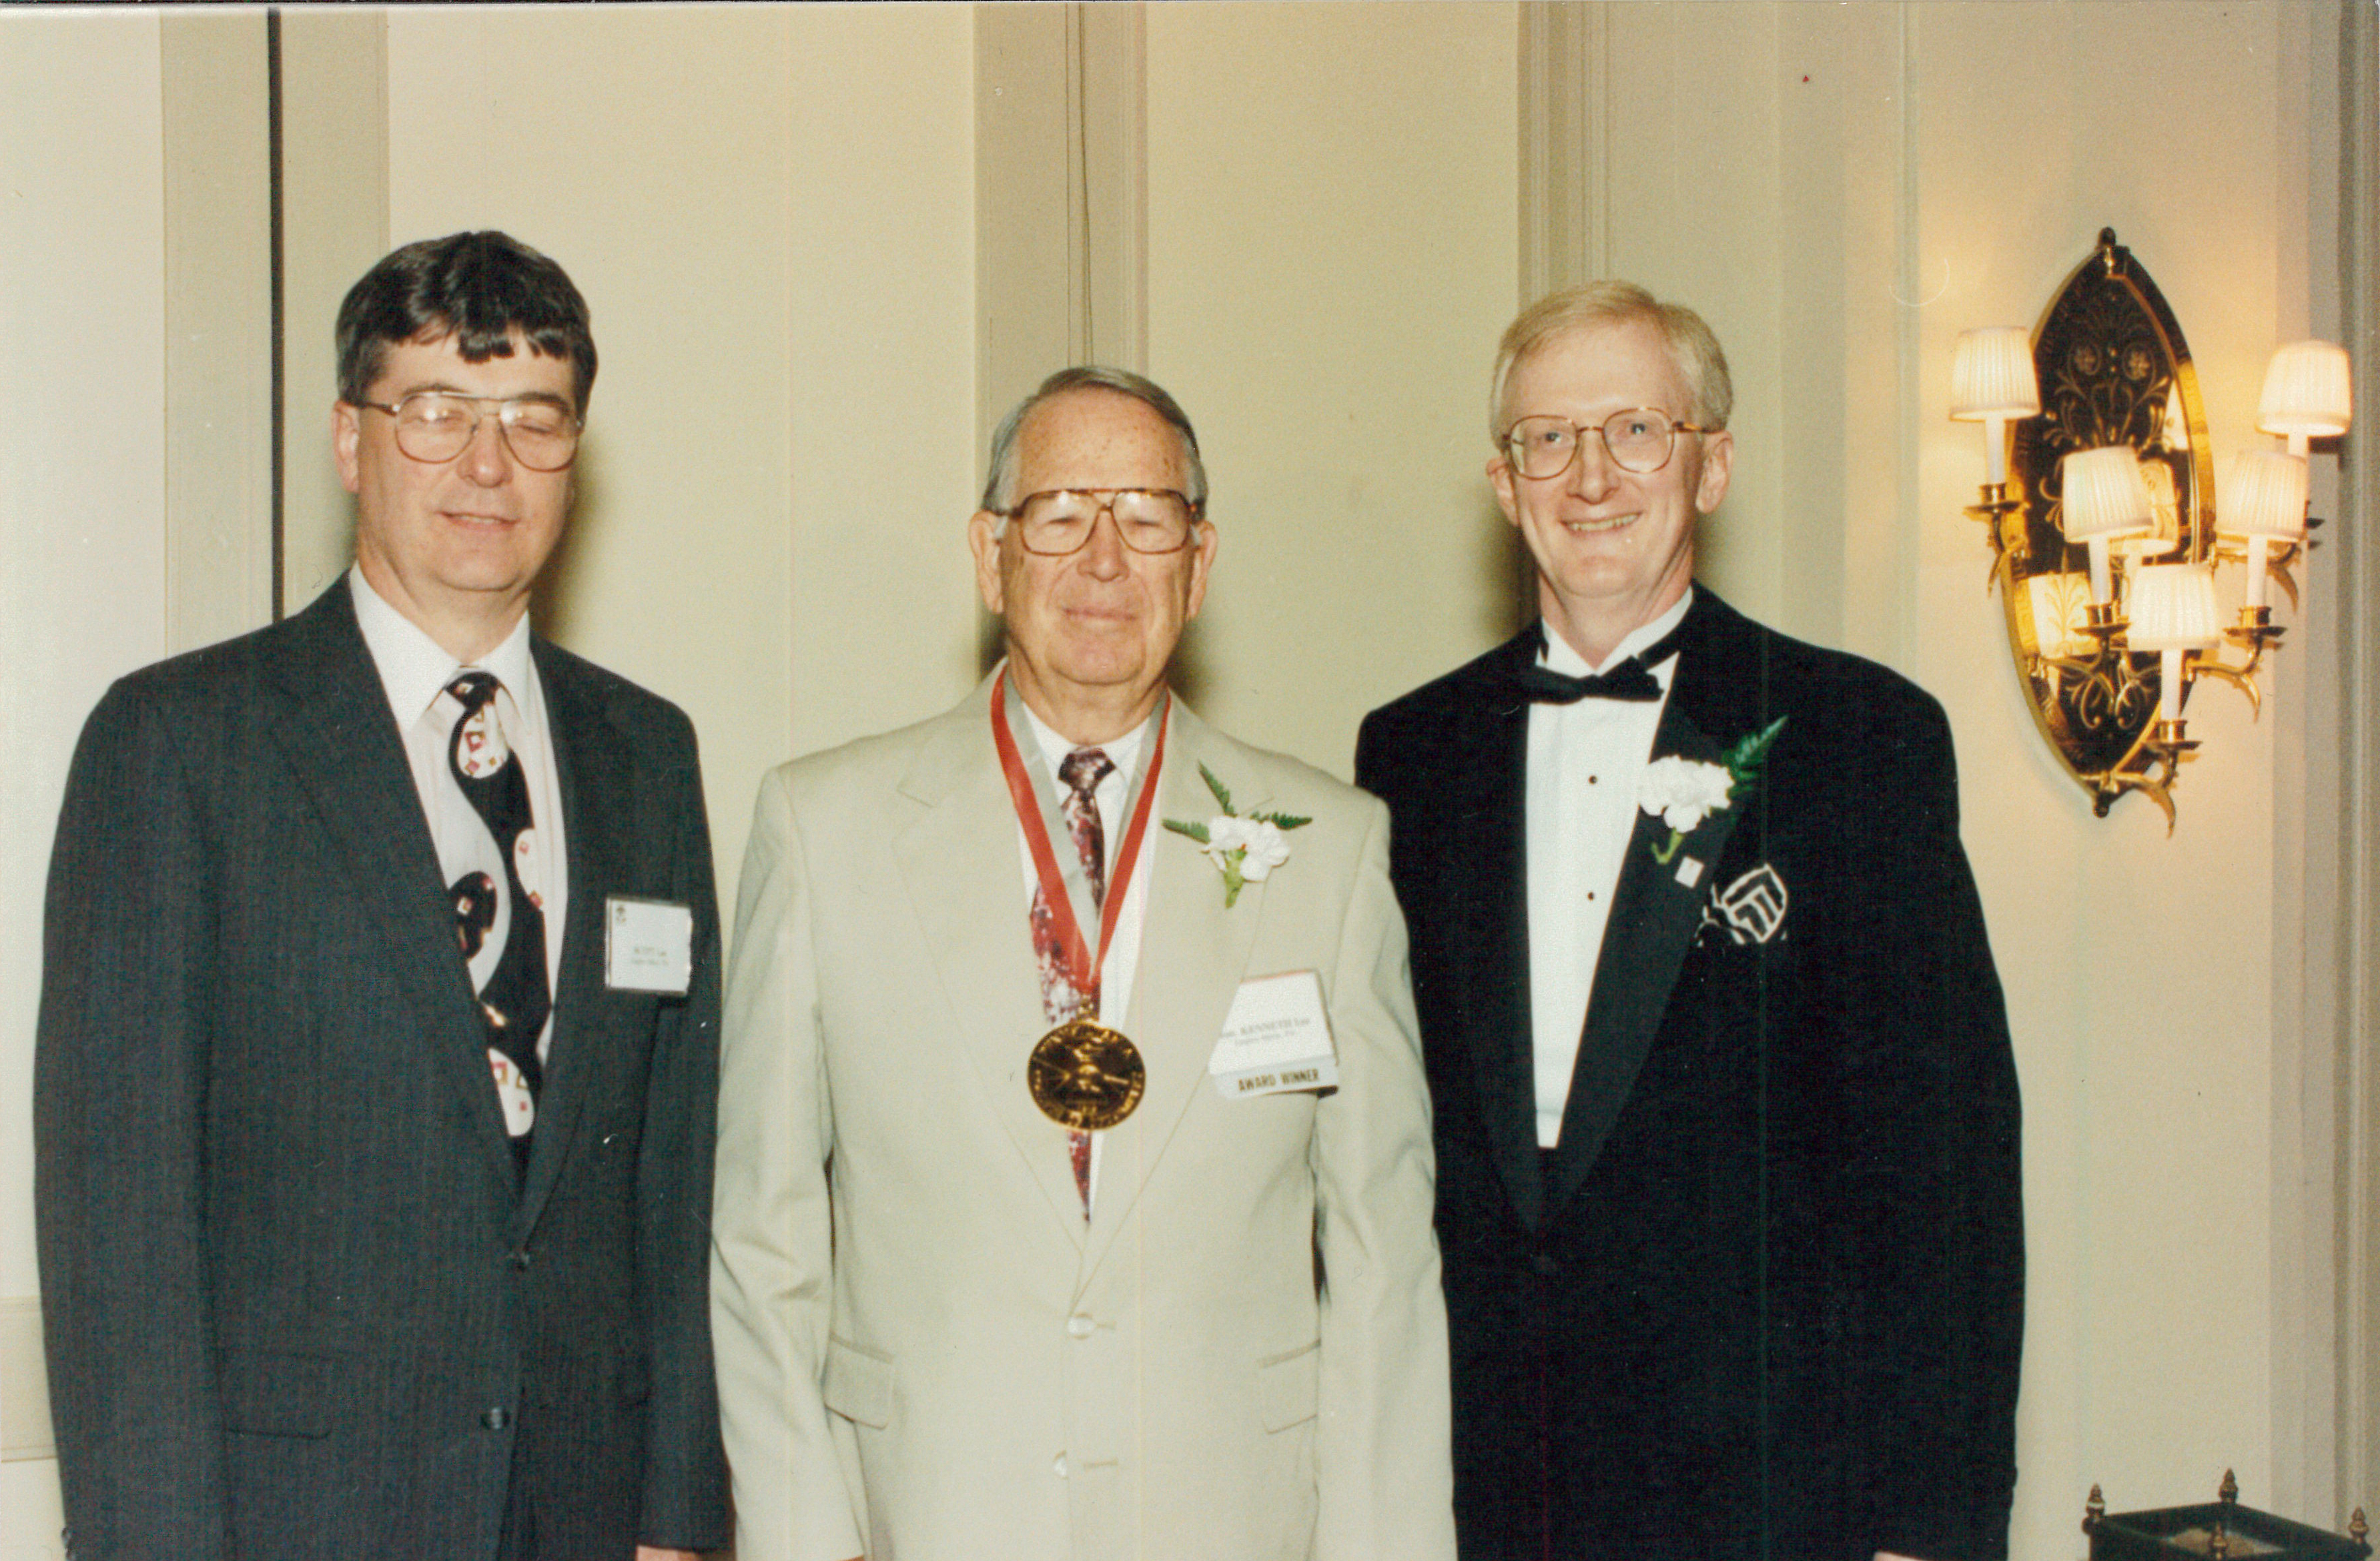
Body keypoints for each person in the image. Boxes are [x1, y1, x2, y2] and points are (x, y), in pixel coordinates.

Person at [34, 231, 728, 1561]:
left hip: (585, 1516)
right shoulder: (181, 745)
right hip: (294, 1518)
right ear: (351, 441)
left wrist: (679, 1513)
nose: (488, 465)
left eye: (535, 420)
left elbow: (676, 1171)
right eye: (436, 413)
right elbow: (117, 1227)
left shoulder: (649, 753)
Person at [711, 366, 1455, 1561]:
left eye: (1147, 516)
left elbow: (1383, 1268)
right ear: (990, 553)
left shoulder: (1331, 849)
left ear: (1199, 564)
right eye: (1060, 514)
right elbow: (764, 1249)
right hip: (930, 1517)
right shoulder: (821, 829)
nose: (1104, 561)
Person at [1355, 283, 2024, 1561]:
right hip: (1483, 1493)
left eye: (1636, 432)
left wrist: (1930, 1526)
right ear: (1504, 486)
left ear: (1713, 466)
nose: (1591, 476)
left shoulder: (1860, 740)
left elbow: (1947, 1176)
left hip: (1774, 1498)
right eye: (1548, 438)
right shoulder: (1410, 752)